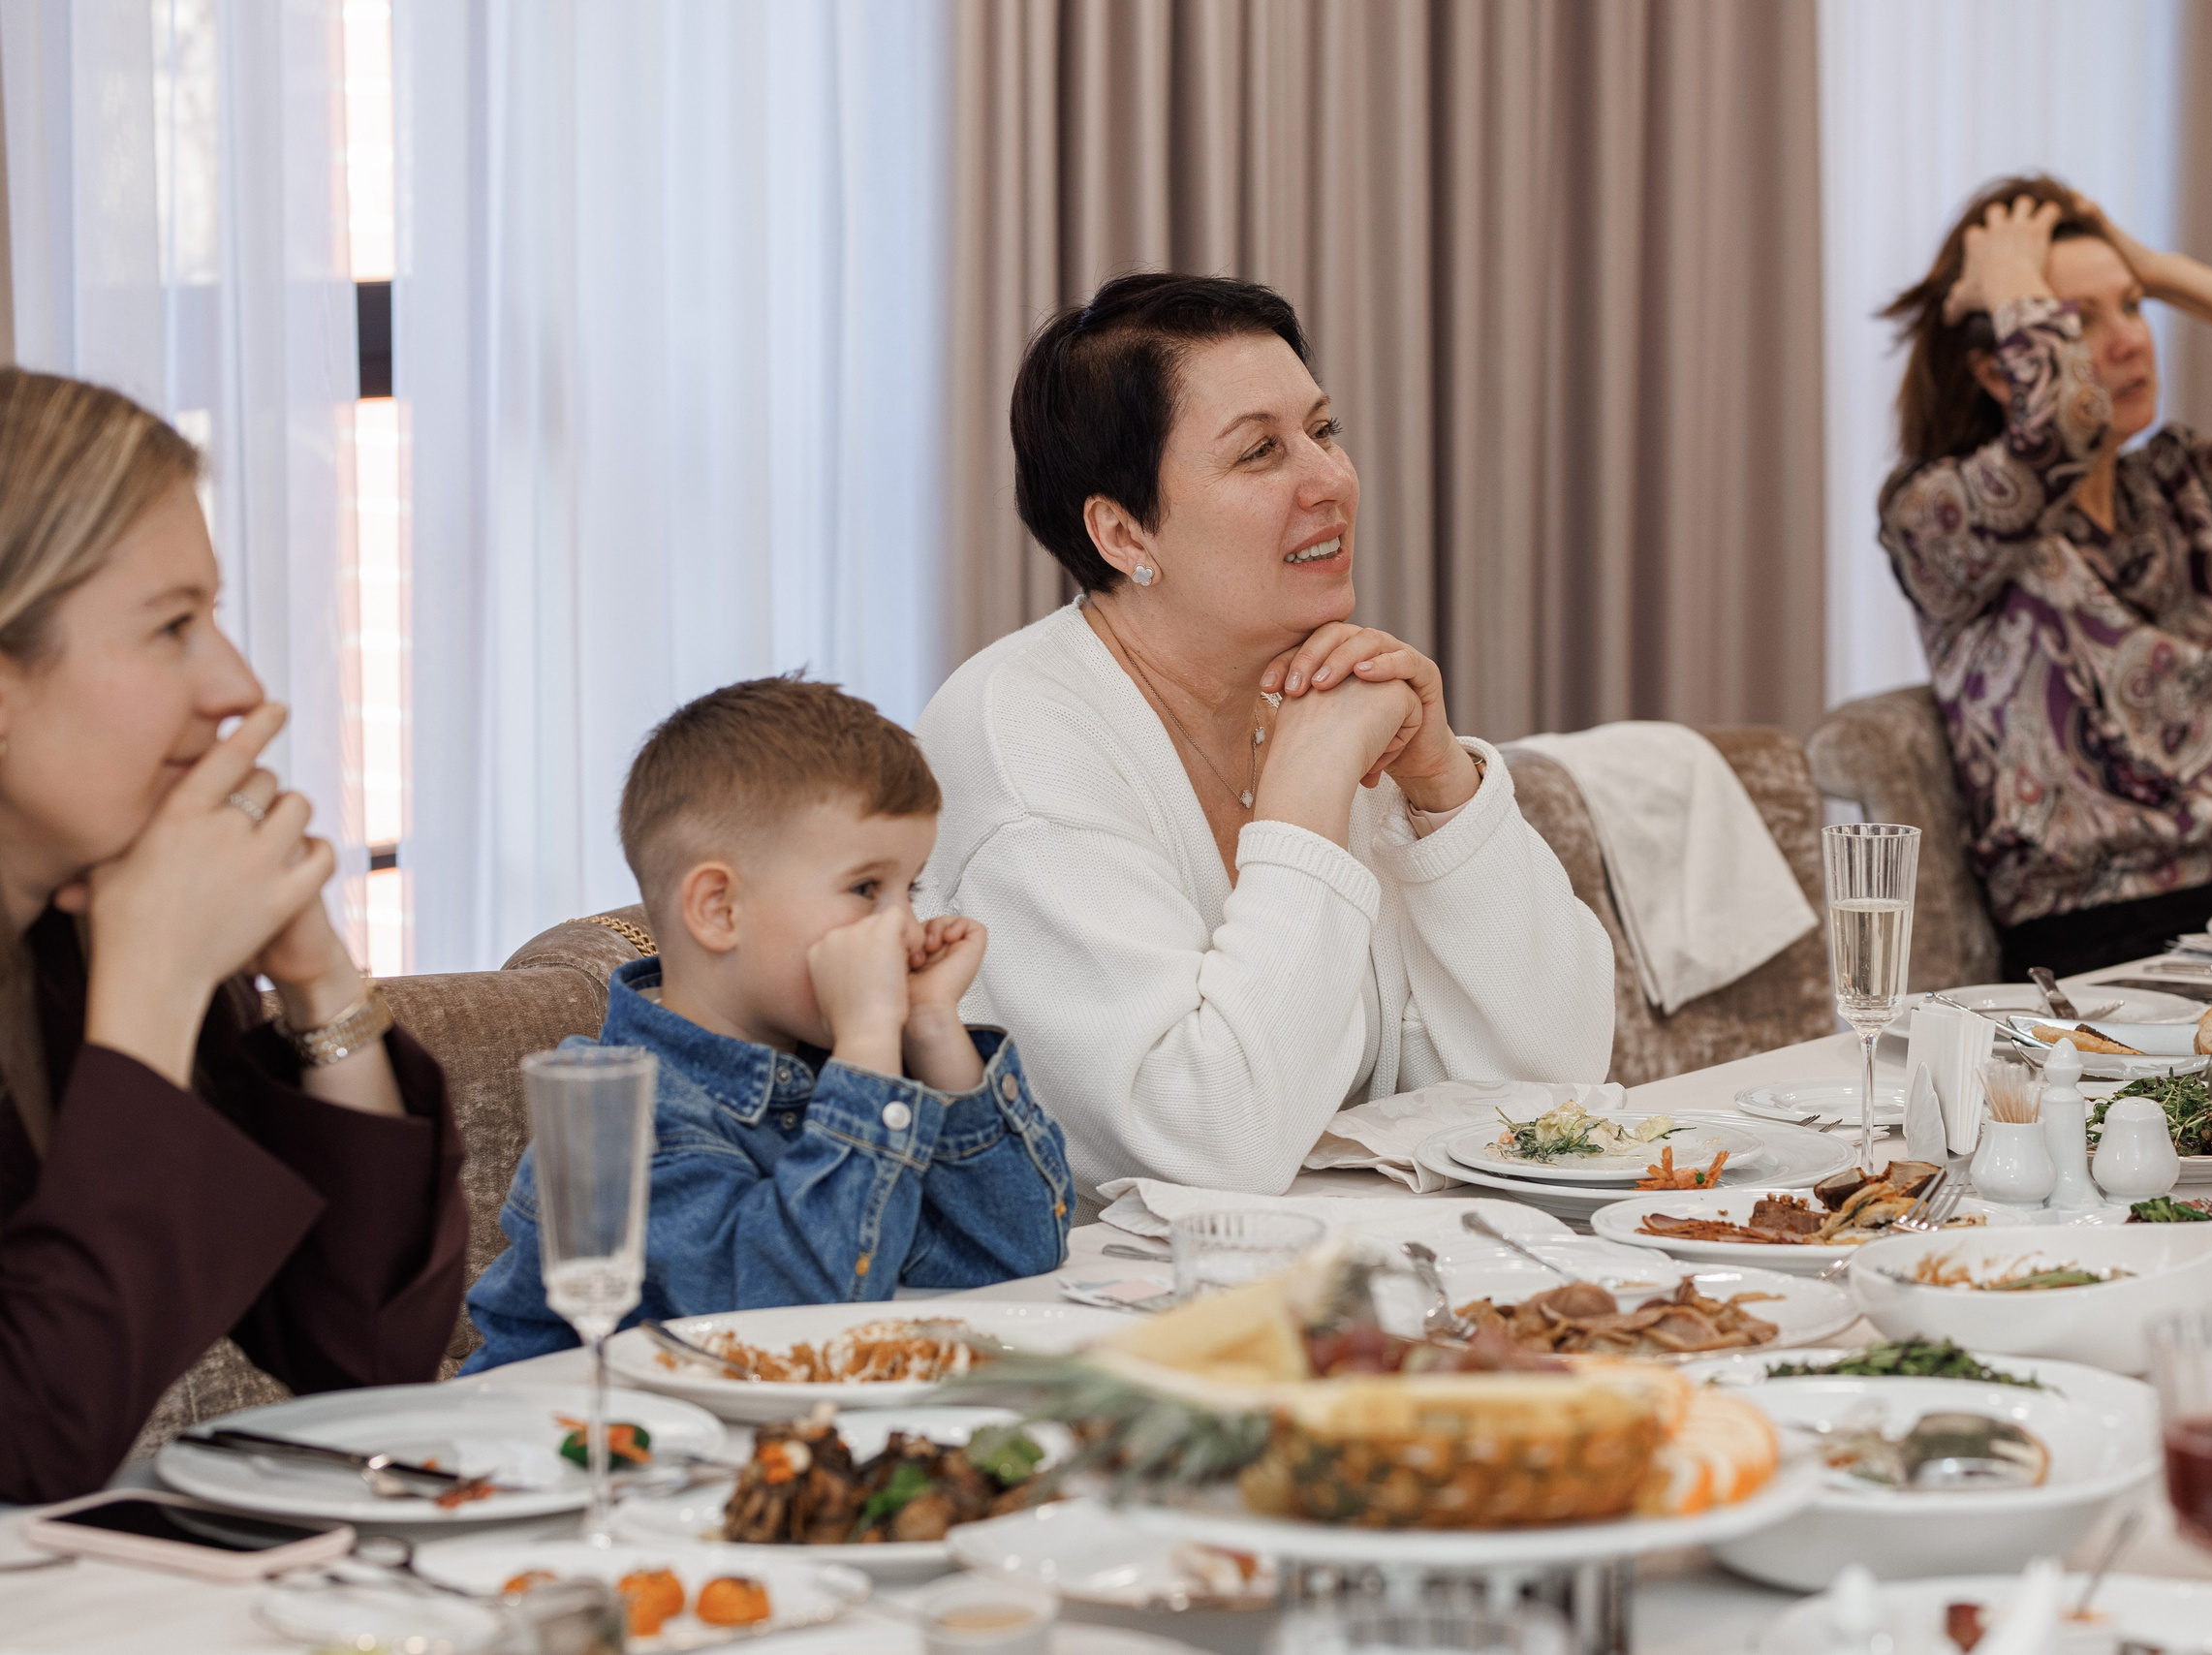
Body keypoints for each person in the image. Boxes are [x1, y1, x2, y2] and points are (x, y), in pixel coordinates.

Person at [916, 273, 1615, 1198]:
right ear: (1123, 533)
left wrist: (1443, 785)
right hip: (1116, 1308)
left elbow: (1562, 1078)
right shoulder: (1025, 746)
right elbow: (1210, 1143)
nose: (1330, 481)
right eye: (1259, 453)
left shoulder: (1314, 681)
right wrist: (1306, 800)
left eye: (1322, 431)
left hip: (1367, 1271)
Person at [0, 369, 467, 1503]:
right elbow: (25, 1450)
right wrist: (151, 991)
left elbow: (360, 1351)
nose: (240, 685)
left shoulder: (91, 919)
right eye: (170, 626)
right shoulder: (134, 940)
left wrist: (314, 974)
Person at [1878, 176, 2212, 981]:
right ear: (1996, 371)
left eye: (2132, 307)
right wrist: (2013, 275)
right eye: (2078, 318)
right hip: (2098, 939)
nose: (2129, 340)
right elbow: (2069, 418)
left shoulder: (2186, 493)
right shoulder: (1940, 518)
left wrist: (2158, 267)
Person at [463, 677, 1071, 1369]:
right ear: (719, 909)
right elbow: (792, 1324)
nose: (904, 927)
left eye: (914, 889)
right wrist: (869, 1043)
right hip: (563, 1448)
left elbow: (1017, 1246)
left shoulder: (847, 1070)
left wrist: (932, 1025)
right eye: (867, 888)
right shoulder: (625, 1118)